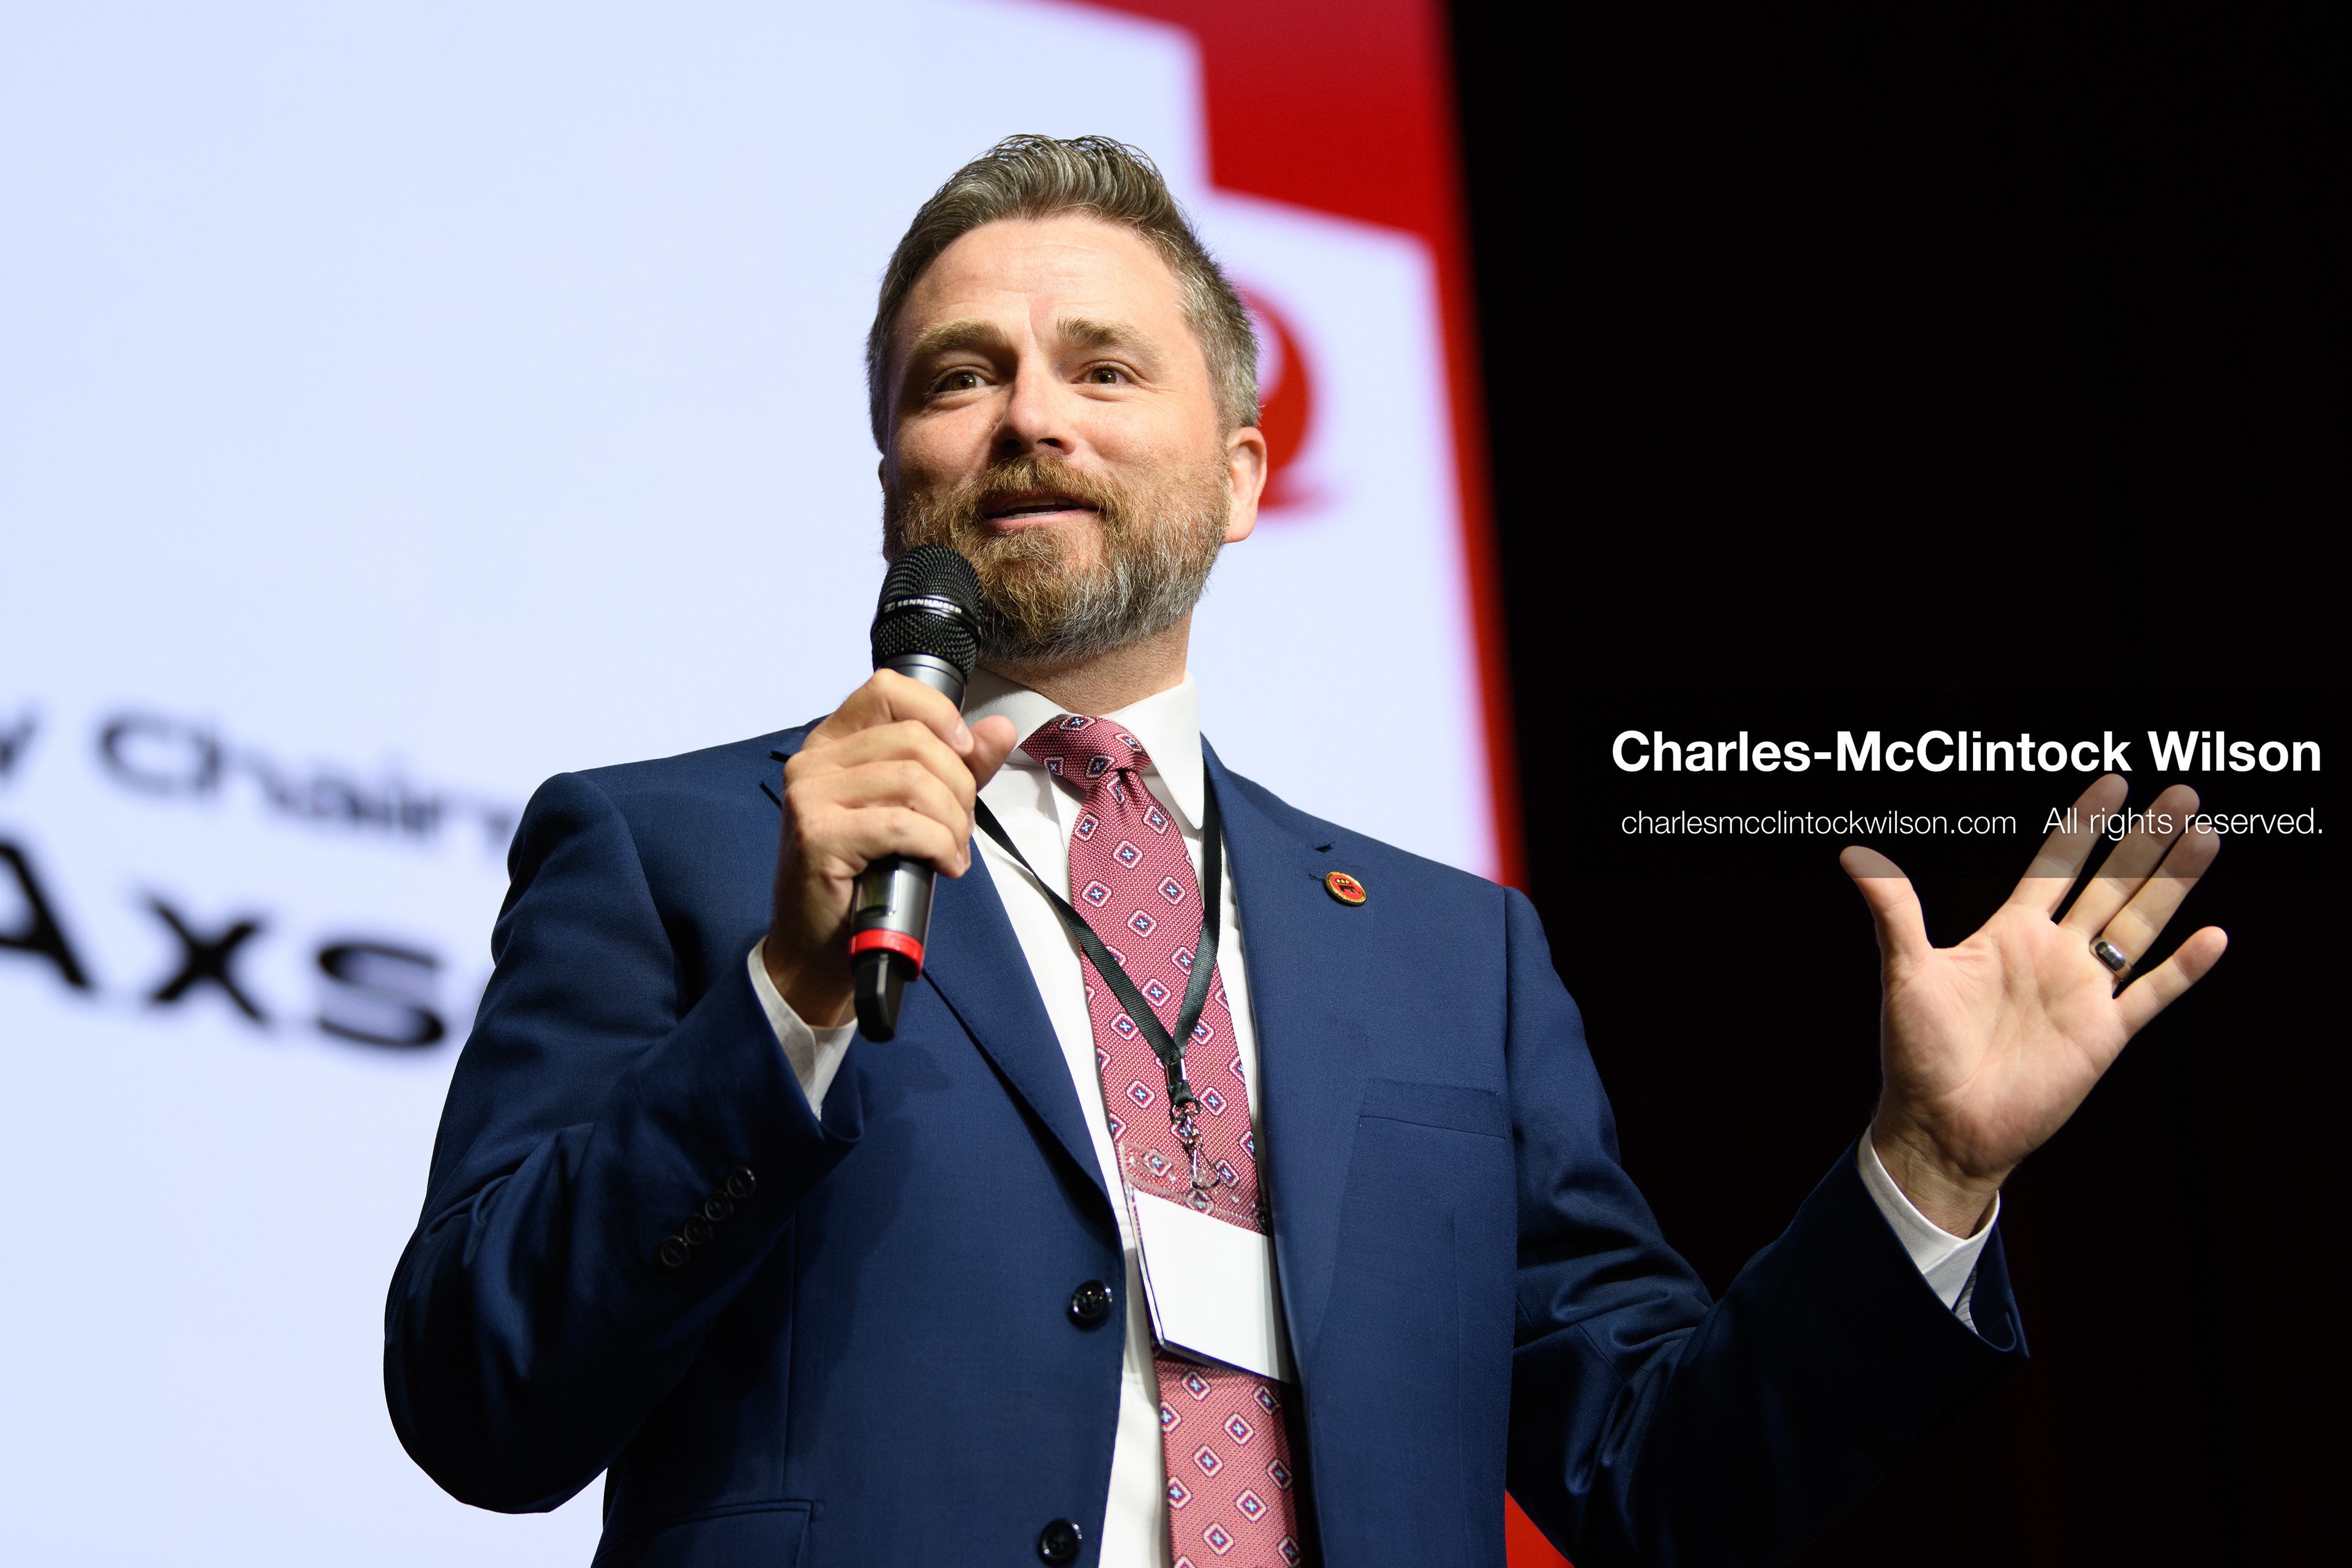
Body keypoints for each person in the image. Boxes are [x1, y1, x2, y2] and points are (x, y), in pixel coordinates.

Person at [384, 136, 2226, 1567]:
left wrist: (1924, 1168)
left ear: (1245, 474)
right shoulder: (677, 850)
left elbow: (1669, 1484)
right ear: (897, 474)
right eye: (964, 375)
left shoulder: (1452, 959)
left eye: (1106, 368)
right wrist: (789, 997)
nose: (1031, 412)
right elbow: (483, 1392)